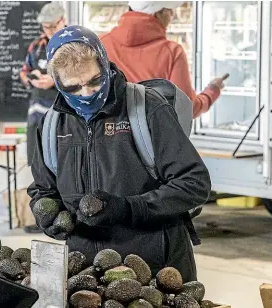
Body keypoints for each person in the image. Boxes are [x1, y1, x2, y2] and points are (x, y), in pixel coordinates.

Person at [28, 25, 211, 282]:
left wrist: (128, 208)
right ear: (57, 83)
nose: (87, 93)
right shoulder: (50, 126)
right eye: (73, 87)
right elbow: (42, 189)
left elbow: (194, 184)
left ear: (104, 64)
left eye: (94, 80)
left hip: (157, 268)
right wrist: (45, 213)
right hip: (88, 276)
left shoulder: (147, 109)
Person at [100, 1, 228, 118]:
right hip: (150, 141)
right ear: (157, 13)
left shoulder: (100, 43)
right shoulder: (172, 52)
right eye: (169, 10)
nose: (172, 15)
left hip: (107, 139)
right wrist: (211, 91)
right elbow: (186, 109)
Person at [19, 2, 66, 234]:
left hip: (62, 116)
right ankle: (44, 217)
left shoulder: (71, 44)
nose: (47, 31)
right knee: (38, 165)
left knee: (63, 163)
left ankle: (65, 216)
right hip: (36, 115)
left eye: (50, 27)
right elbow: (23, 70)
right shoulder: (37, 46)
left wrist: (54, 81)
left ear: (62, 21)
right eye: (45, 27)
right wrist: (32, 80)